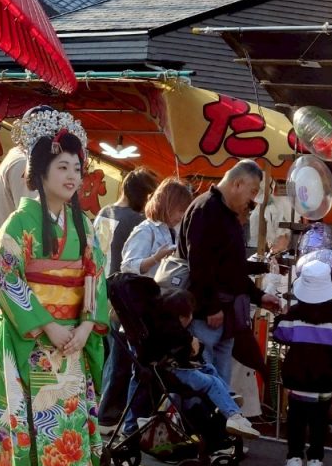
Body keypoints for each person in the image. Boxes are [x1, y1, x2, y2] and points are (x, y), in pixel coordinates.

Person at [0, 110, 108, 466]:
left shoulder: (84, 225)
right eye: (62, 167)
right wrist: (49, 326)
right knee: (25, 427)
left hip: (71, 341)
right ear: (37, 173)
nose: (72, 176)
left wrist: (86, 324)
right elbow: (8, 279)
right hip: (32, 340)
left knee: (66, 431)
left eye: (77, 168)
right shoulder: (18, 224)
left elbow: (96, 276)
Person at [177, 160, 279, 386]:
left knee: (220, 381)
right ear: (237, 184)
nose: (251, 200)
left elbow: (234, 269)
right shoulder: (206, 209)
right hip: (206, 316)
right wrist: (211, 306)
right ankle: (198, 421)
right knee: (200, 380)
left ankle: (219, 420)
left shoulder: (229, 215)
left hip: (226, 316)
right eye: (252, 192)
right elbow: (199, 264)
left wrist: (259, 296)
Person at [127, 287, 259, 438]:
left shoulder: (155, 325)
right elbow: (191, 354)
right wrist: (192, 342)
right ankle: (234, 415)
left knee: (208, 368)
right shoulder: (178, 334)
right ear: (183, 315)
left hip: (163, 370)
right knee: (212, 382)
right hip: (173, 373)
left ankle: (228, 395)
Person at [94, 167, 158, 427]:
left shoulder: (104, 213)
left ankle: (103, 409)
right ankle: (108, 413)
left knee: (109, 354)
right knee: (119, 360)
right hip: (123, 295)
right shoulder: (136, 221)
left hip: (101, 291)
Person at [273, 259, 332, 466]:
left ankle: (294, 458)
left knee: (296, 417)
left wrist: (279, 319)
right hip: (326, 376)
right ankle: (316, 461)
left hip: (297, 375)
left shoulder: (294, 314)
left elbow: (280, 334)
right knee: (320, 419)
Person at [121, 178, 192, 277]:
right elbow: (128, 266)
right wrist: (155, 258)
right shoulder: (146, 230)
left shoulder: (175, 231)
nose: (182, 216)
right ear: (167, 204)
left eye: (184, 211)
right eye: (180, 210)